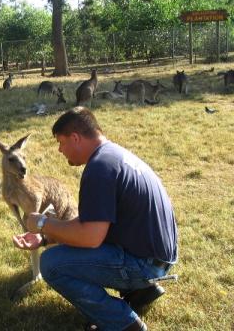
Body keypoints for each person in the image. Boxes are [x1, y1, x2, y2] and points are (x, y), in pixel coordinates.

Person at [12, 107, 178, 331]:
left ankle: (123, 323)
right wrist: (44, 239)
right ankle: (140, 291)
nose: (60, 150)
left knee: (51, 264)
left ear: (76, 138)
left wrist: (41, 223)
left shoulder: (99, 168)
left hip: (144, 264)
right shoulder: (114, 156)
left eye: (61, 143)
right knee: (67, 244)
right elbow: (91, 223)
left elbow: (90, 237)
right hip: (156, 257)